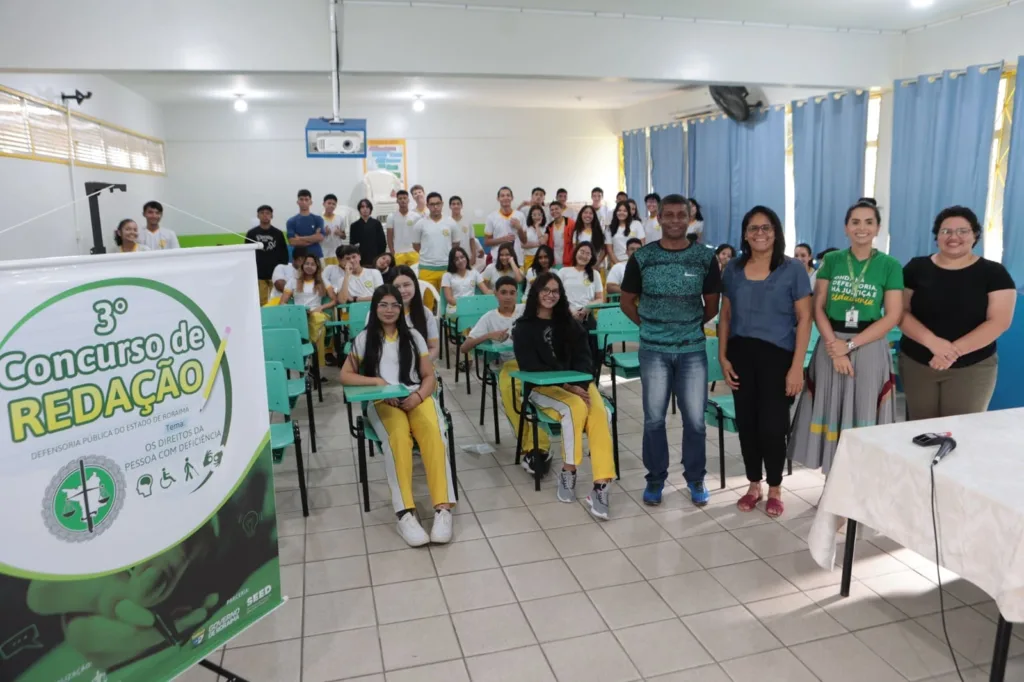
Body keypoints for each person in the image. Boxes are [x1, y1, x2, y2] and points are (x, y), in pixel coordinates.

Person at [788, 199, 903, 474]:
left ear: (877, 229)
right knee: (832, 411)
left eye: (868, 222)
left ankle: (856, 485)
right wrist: (834, 346)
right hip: (831, 344)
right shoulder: (832, 260)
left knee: (862, 412)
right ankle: (831, 485)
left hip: (869, 345)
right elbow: (818, 307)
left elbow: (892, 316)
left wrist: (848, 346)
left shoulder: (889, 265)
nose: (861, 228)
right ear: (846, 227)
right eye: (855, 222)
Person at [619, 194, 721, 507]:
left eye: (681, 215)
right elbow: (626, 301)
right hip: (653, 351)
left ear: (690, 219)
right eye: (669, 215)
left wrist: (685, 327)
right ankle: (655, 479)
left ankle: (695, 477)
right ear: (659, 218)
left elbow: (712, 305)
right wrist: (651, 326)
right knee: (653, 419)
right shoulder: (643, 257)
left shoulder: (705, 257)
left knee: (695, 421)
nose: (675, 220)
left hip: (691, 350)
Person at [340, 285, 454, 546]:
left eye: (394, 305)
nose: (389, 310)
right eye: (383, 304)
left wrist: (417, 397)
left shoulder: (413, 336)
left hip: (416, 397)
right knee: (398, 438)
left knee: (435, 433)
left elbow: (429, 378)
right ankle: (405, 513)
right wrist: (378, 384)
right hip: (382, 401)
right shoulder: (364, 338)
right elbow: (345, 375)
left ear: (400, 308)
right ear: (375, 307)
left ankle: (443, 509)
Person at [719, 207, 812, 518]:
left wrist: (797, 366)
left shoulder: (792, 269)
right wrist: (722, 356)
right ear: (745, 233)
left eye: (767, 227)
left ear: (776, 232)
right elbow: (726, 316)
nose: (760, 233)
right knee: (747, 425)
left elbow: (805, 319)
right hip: (741, 355)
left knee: (773, 427)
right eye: (753, 227)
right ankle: (753, 485)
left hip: (778, 359)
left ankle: (775, 487)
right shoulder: (732, 268)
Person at [512, 272, 616, 519]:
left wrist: (579, 385)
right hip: (542, 387)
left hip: (578, 383)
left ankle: (601, 484)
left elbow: (584, 360)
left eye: (555, 291)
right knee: (574, 408)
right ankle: (569, 472)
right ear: (536, 293)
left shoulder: (570, 325)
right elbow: (530, 365)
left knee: (598, 413)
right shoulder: (523, 327)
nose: (550, 295)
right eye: (545, 290)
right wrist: (569, 387)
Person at [899, 206, 1016, 420]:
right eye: (946, 231)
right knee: (918, 430)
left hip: (972, 367)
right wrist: (933, 343)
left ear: (975, 235)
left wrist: (951, 352)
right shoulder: (916, 268)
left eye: (962, 231)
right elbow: (900, 312)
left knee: (961, 432)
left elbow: (999, 322)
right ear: (937, 237)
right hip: (917, 364)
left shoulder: (994, 273)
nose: (954, 237)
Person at [460, 276, 550, 469]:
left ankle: (537, 446)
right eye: (503, 293)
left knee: (536, 395)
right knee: (510, 394)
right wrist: (489, 335)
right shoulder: (489, 318)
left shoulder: (526, 310)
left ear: (517, 294)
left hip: (535, 361)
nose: (508, 297)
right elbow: (464, 347)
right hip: (511, 364)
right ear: (496, 294)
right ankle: (533, 446)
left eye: (512, 293)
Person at [280, 254, 335, 367]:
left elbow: (334, 300)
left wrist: (321, 307)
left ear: (317, 267)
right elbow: (282, 302)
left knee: (316, 319)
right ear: (302, 265)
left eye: (313, 264)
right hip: (299, 314)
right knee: (317, 329)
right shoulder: (293, 281)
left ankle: (311, 356)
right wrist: (294, 311)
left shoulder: (323, 280)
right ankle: (309, 352)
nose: (309, 266)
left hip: (317, 313)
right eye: (307, 264)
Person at [413, 191, 461, 309]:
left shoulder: (451, 223)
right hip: (426, 269)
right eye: (432, 204)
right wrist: (429, 255)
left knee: (447, 304)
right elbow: (416, 245)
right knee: (427, 305)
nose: (435, 207)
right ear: (427, 206)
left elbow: (456, 244)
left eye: (438, 204)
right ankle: (428, 327)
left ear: (442, 204)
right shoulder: (420, 224)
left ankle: (446, 327)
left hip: (446, 269)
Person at [393, 265, 440, 360]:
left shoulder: (425, 313)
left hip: (420, 366)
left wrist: (420, 366)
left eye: (406, 285)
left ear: (415, 285)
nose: (402, 291)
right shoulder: (380, 312)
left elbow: (434, 347)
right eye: (397, 287)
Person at [246, 205, 288, 304]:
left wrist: (283, 270)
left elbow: (284, 252)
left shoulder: (278, 233)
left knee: (278, 300)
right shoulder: (251, 233)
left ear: (271, 216)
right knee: (261, 302)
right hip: (258, 274)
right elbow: (247, 253)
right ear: (258, 215)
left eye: (268, 213)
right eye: (262, 213)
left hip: (276, 274)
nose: (265, 215)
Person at [285, 189, 327, 261]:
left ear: (310, 202)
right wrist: (313, 239)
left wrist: (300, 238)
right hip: (299, 258)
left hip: (317, 256)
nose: (304, 202)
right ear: (297, 202)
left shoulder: (318, 219)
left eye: (306, 200)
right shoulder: (291, 221)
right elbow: (292, 242)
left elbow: (320, 237)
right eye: (301, 199)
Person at [441, 246, 483, 313]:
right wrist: (464, 305)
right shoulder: (447, 276)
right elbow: (450, 299)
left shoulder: (474, 272)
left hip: (472, 307)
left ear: (466, 257)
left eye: (462, 257)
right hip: (454, 308)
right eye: (456, 259)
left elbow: (486, 291)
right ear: (452, 262)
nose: (460, 261)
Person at [386, 190, 422, 267]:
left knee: (414, 276)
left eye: (405, 198)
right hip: (398, 253)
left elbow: (420, 236)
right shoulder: (391, 217)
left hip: (413, 252)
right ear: (397, 201)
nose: (403, 200)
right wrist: (393, 252)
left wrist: (420, 251)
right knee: (400, 276)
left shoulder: (416, 217)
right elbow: (389, 237)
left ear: (408, 200)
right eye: (400, 198)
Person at [450, 195, 485, 270]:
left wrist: (473, 256)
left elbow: (472, 239)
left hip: (466, 256)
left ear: (461, 206)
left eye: (458, 204)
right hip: (452, 257)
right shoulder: (447, 222)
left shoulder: (468, 221)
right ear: (450, 206)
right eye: (453, 204)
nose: (456, 206)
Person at [605, 200, 645, 266]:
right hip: (616, 263)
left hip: (634, 262)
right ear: (615, 212)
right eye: (619, 210)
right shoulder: (609, 228)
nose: (621, 213)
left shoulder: (636, 224)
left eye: (625, 211)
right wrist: (618, 264)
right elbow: (610, 250)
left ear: (628, 212)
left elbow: (642, 245)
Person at [515, 205, 545, 270]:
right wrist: (538, 244)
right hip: (528, 258)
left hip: (542, 259)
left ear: (542, 215)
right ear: (530, 216)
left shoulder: (545, 228)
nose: (537, 217)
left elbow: (543, 242)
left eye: (539, 214)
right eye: (534, 215)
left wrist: (537, 226)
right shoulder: (526, 228)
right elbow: (523, 244)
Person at [321, 193, 348, 265]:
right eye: (329, 203)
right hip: (324, 253)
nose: (331, 205)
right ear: (324, 204)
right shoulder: (319, 219)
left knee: (338, 274)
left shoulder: (340, 219)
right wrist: (324, 233)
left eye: (333, 204)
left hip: (338, 253)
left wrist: (340, 233)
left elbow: (344, 236)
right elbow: (316, 237)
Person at [547, 200, 575, 267]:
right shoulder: (549, 226)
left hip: (569, 260)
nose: (554, 211)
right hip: (554, 260)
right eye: (552, 210)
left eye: (556, 209)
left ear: (562, 209)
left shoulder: (571, 223)